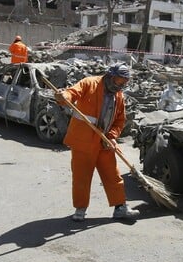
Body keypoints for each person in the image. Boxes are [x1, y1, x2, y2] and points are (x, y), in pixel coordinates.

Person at [55, 63, 139, 221]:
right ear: (109, 76)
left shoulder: (118, 96)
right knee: (82, 176)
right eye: (119, 80)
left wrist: (112, 136)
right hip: (84, 142)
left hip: (104, 142)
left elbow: (120, 120)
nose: (120, 85)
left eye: (124, 82)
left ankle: (120, 207)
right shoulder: (90, 83)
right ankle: (80, 209)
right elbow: (72, 93)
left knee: (113, 175)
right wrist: (63, 97)